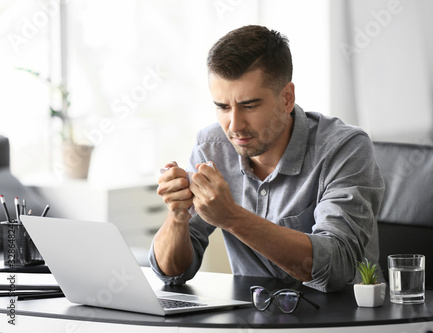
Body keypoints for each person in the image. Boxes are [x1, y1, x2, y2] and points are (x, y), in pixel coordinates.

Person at [150, 25, 385, 293]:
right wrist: (177, 217)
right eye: (223, 107)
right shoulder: (211, 147)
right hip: (251, 319)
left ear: (287, 98)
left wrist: (232, 218)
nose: (234, 125)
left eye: (249, 106)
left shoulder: (345, 148)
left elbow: (337, 267)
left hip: (338, 319)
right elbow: (173, 274)